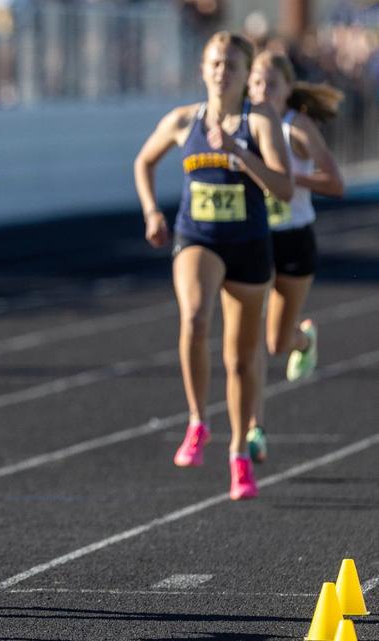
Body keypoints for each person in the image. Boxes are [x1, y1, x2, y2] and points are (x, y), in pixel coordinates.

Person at [133, 32, 292, 501]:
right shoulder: (185, 120)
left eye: (232, 66)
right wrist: (151, 212)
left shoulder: (258, 120)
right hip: (196, 238)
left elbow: (283, 188)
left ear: (247, 75)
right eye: (216, 63)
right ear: (203, 69)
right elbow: (144, 162)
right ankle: (199, 421)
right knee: (195, 316)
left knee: (241, 360)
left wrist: (239, 154)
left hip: (248, 246)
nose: (223, 72)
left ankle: (240, 452)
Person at [244, 50, 345, 463]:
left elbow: (335, 183)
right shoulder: (243, 124)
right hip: (252, 238)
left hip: (294, 238)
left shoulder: (296, 127)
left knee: (276, 342)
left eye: (271, 84)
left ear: (288, 88)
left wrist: (285, 177)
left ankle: (303, 338)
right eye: (255, 83)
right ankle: (254, 429)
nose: (262, 91)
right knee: (246, 339)